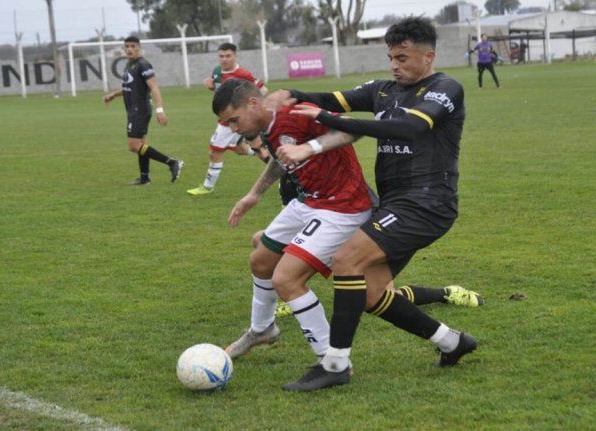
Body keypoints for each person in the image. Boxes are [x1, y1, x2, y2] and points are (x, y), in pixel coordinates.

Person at [269, 17, 478, 391]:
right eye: (391, 57)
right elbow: (331, 98)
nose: (395, 65)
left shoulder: (446, 89)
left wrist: (328, 119)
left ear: (429, 56)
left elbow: (411, 128)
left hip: (428, 203)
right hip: (395, 204)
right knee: (371, 293)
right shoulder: (383, 90)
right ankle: (452, 342)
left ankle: (335, 364)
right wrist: (289, 93)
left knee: (346, 260)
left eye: (403, 58)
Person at [212, 78, 372, 363]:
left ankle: (332, 361)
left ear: (253, 103)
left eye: (234, 120)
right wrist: (254, 193)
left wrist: (310, 147)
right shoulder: (266, 126)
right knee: (261, 261)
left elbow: (352, 128)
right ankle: (262, 329)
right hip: (309, 201)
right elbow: (280, 158)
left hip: (342, 205)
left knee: (286, 279)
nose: (233, 129)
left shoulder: (294, 112)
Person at [187, 43, 269, 196]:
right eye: (221, 56)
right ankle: (281, 167)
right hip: (227, 119)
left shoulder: (243, 74)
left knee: (215, 151)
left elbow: (262, 89)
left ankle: (207, 187)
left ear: (235, 56)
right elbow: (220, 91)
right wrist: (210, 85)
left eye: (228, 56)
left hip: (233, 121)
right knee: (242, 149)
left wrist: (248, 108)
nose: (224, 59)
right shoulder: (217, 71)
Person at [103, 36, 183, 185]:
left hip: (140, 109)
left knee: (133, 145)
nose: (129, 49)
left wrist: (160, 110)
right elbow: (129, 87)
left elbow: (154, 87)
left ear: (139, 47)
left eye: (133, 46)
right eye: (127, 46)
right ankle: (145, 178)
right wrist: (114, 94)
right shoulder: (129, 64)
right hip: (134, 109)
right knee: (142, 144)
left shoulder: (143, 64)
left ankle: (172, 162)